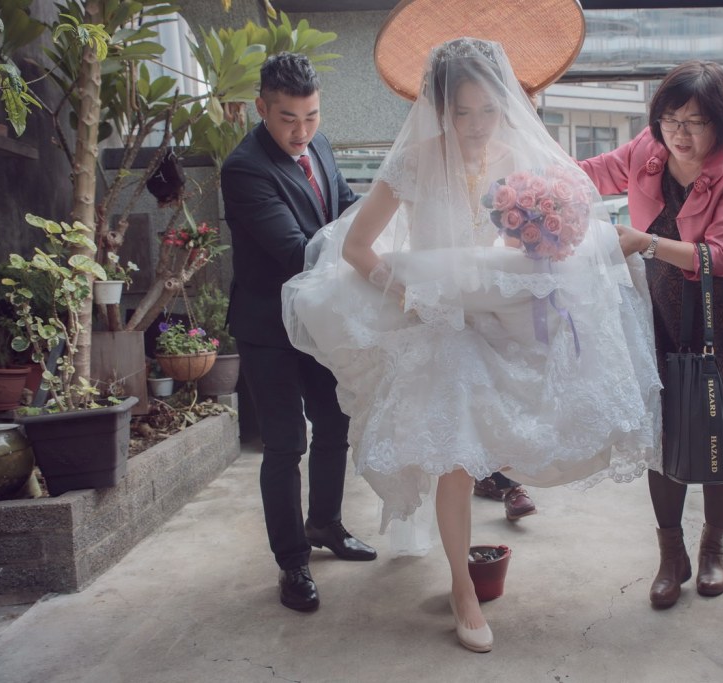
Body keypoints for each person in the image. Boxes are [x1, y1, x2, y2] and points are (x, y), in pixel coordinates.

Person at [282, 38, 660, 652]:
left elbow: (553, 241)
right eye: (463, 112)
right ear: (441, 109)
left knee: (532, 430)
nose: (479, 124)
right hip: (444, 327)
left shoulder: (520, 159)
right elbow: (356, 248)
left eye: (488, 109)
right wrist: (404, 293)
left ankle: (494, 524)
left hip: (504, 320)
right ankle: (462, 588)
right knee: (455, 457)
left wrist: (541, 245)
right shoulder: (413, 163)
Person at [577, 60, 723, 609]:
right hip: (660, 310)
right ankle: (671, 556)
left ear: (720, 122)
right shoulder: (644, 151)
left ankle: (713, 548)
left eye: (695, 122)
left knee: (720, 428)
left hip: (722, 311)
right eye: (671, 120)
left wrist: (643, 243)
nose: (680, 134)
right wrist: (526, 164)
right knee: (664, 433)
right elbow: (586, 175)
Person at [220, 52, 377, 613]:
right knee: (286, 443)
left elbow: (343, 206)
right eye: (288, 118)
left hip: (318, 317)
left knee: (335, 424)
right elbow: (296, 250)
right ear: (261, 108)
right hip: (268, 327)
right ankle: (292, 561)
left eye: (311, 117)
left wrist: (383, 221)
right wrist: (365, 257)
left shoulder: (320, 144)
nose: (302, 131)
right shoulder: (244, 169)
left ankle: (326, 524)